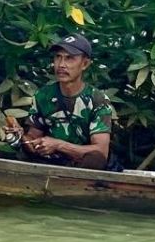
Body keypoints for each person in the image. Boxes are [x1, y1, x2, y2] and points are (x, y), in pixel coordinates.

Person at [6, 33, 115, 170]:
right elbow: (33, 138)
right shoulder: (44, 95)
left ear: (85, 64)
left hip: (82, 168)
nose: (61, 65)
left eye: (69, 58)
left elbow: (101, 151)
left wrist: (58, 145)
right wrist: (21, 137)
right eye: (58, 57)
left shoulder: (97, 100)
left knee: (95, 159)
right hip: (49, 164)